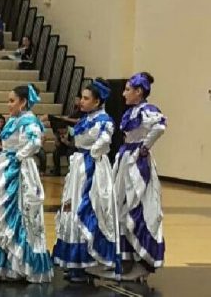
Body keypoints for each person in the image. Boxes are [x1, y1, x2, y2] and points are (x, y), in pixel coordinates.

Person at [52, 78, 120, 282]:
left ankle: (88, 262)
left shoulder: (104, 121)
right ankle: (75, 262)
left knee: (89, 209)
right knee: (71, 209)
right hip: (79, 166)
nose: (81, 101)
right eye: (81, 97)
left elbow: (104, 141)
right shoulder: (85, 120)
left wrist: (93, 152)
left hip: (92, 168)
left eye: (86, 98)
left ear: (98, 102)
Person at [0, 84, 53, 283]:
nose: (9, 105)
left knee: (19, 213)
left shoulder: (28, 120)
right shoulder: (14, 120)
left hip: (20, 171)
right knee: (5, 214)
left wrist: (18, 156)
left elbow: (35, 142)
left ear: (23, 102)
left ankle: (20, 266)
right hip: (8, 169)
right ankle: (8, 265)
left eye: (12, 101)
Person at [113, 72, 167, 279]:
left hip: (137, 163)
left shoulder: (147, 110)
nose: (124, 93)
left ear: (139, 92)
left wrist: (144, 147)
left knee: (140, 208)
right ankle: (127, 258)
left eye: (128, 89)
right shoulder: (133, 111)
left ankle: (142, 263)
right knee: (122, 206)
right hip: (126, 160)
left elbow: (160, 126)